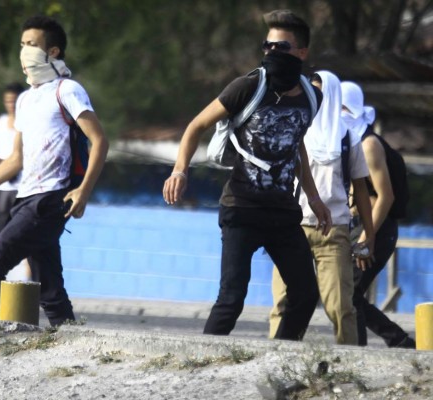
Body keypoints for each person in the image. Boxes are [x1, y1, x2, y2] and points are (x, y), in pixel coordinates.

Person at [163, 9, 332, 341]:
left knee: (305, 294)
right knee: (232, 298)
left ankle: (280, 356)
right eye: (266, 46)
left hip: (282, 211)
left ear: (301, 52)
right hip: (241, 207)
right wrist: (180, 170)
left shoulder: (313, 98)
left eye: (280, 47)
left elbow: (295, 146)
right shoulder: (249, 86)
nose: (270, 52)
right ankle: (203, 360)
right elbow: (196, 125)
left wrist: (313, 196)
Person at [0, 15, 109, 326]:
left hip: (50, 199)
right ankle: (67, 338)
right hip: (26, 197)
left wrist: (83, 191)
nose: (24, 51)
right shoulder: (25, 100)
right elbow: (15, 160)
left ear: (54, 52)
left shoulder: (67, 90)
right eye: (22, 45)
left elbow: (100, 140)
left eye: (31, 45)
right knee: (50, 290)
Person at [268, 71, 375, 345]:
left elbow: (361, 190)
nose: (313, 99)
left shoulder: (347, 138)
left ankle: (347, 366)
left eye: (319, 93)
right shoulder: (294, 131)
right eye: (310, 93)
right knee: (283, 304)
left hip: (334, 235)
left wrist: (369, 236)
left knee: (340, 307)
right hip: (292, 232)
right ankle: (274, 361)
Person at [341, 81, 416, 348]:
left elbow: (385, 196)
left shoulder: (369, 145)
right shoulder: (351, 141)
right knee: (348, 293)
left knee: (349, 293)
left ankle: (371, 348)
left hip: (376, 228)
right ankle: (398, 341)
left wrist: (366, 237)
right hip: (362, 225)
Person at [0, 82, 25, 234]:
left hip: (21, 184)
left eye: (14, 100)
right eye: (7, 100)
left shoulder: (28, 122)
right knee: (1, 230)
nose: (11, 104)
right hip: (1, 183)